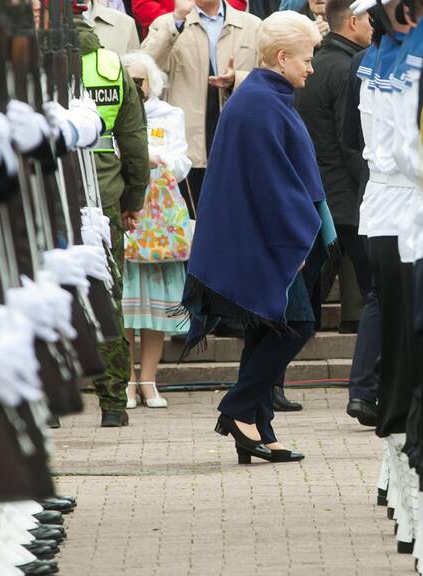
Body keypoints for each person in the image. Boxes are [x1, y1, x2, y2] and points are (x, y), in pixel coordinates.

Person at [177, 11, 332, 465]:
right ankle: (237, 409)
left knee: (269, 329)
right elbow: (273, 183)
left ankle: (258, 428)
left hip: (258, 241)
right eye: (306, 59)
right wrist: (295, 242)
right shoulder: (262, 101)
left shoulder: (263, 95)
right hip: (265, 244)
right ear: (282, 58)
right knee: (295, 325)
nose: (311, 68)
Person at [295, 0, 374, 424]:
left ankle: (269, 381)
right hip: (347, 197)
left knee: (306, 290)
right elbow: (351, 141)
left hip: (318, 192)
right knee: (372, 292)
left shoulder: (319, 64)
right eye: (369, 19)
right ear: (354, 21)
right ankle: (368, 387)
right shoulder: (347, 69)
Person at [79, 18, 152, 428]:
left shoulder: (19, 57)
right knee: (106, 296)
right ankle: (112, 404)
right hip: (103, 194)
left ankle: (47, 404)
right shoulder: (109, 64)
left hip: (39, 195)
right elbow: (135, 141)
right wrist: (133, 197)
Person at [119, 51, 194, 410]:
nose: (137, 87)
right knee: (126, 305)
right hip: (125, 212)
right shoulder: (112, 113)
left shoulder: (170, 114)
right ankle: (126, 381)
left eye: (141, 80)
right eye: (129, 80)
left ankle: (148, 380)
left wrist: (154, 157)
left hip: (160, 220)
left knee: (155, 308)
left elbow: (182, 162)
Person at [141, 0, 261, 208]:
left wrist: (237, 79)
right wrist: (176, 19)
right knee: (194, 219)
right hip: (189, 143)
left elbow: (267, 76)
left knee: (235, 215)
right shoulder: (167, 23)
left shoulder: (253, 25)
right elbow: (144, 69)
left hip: (238, 138)